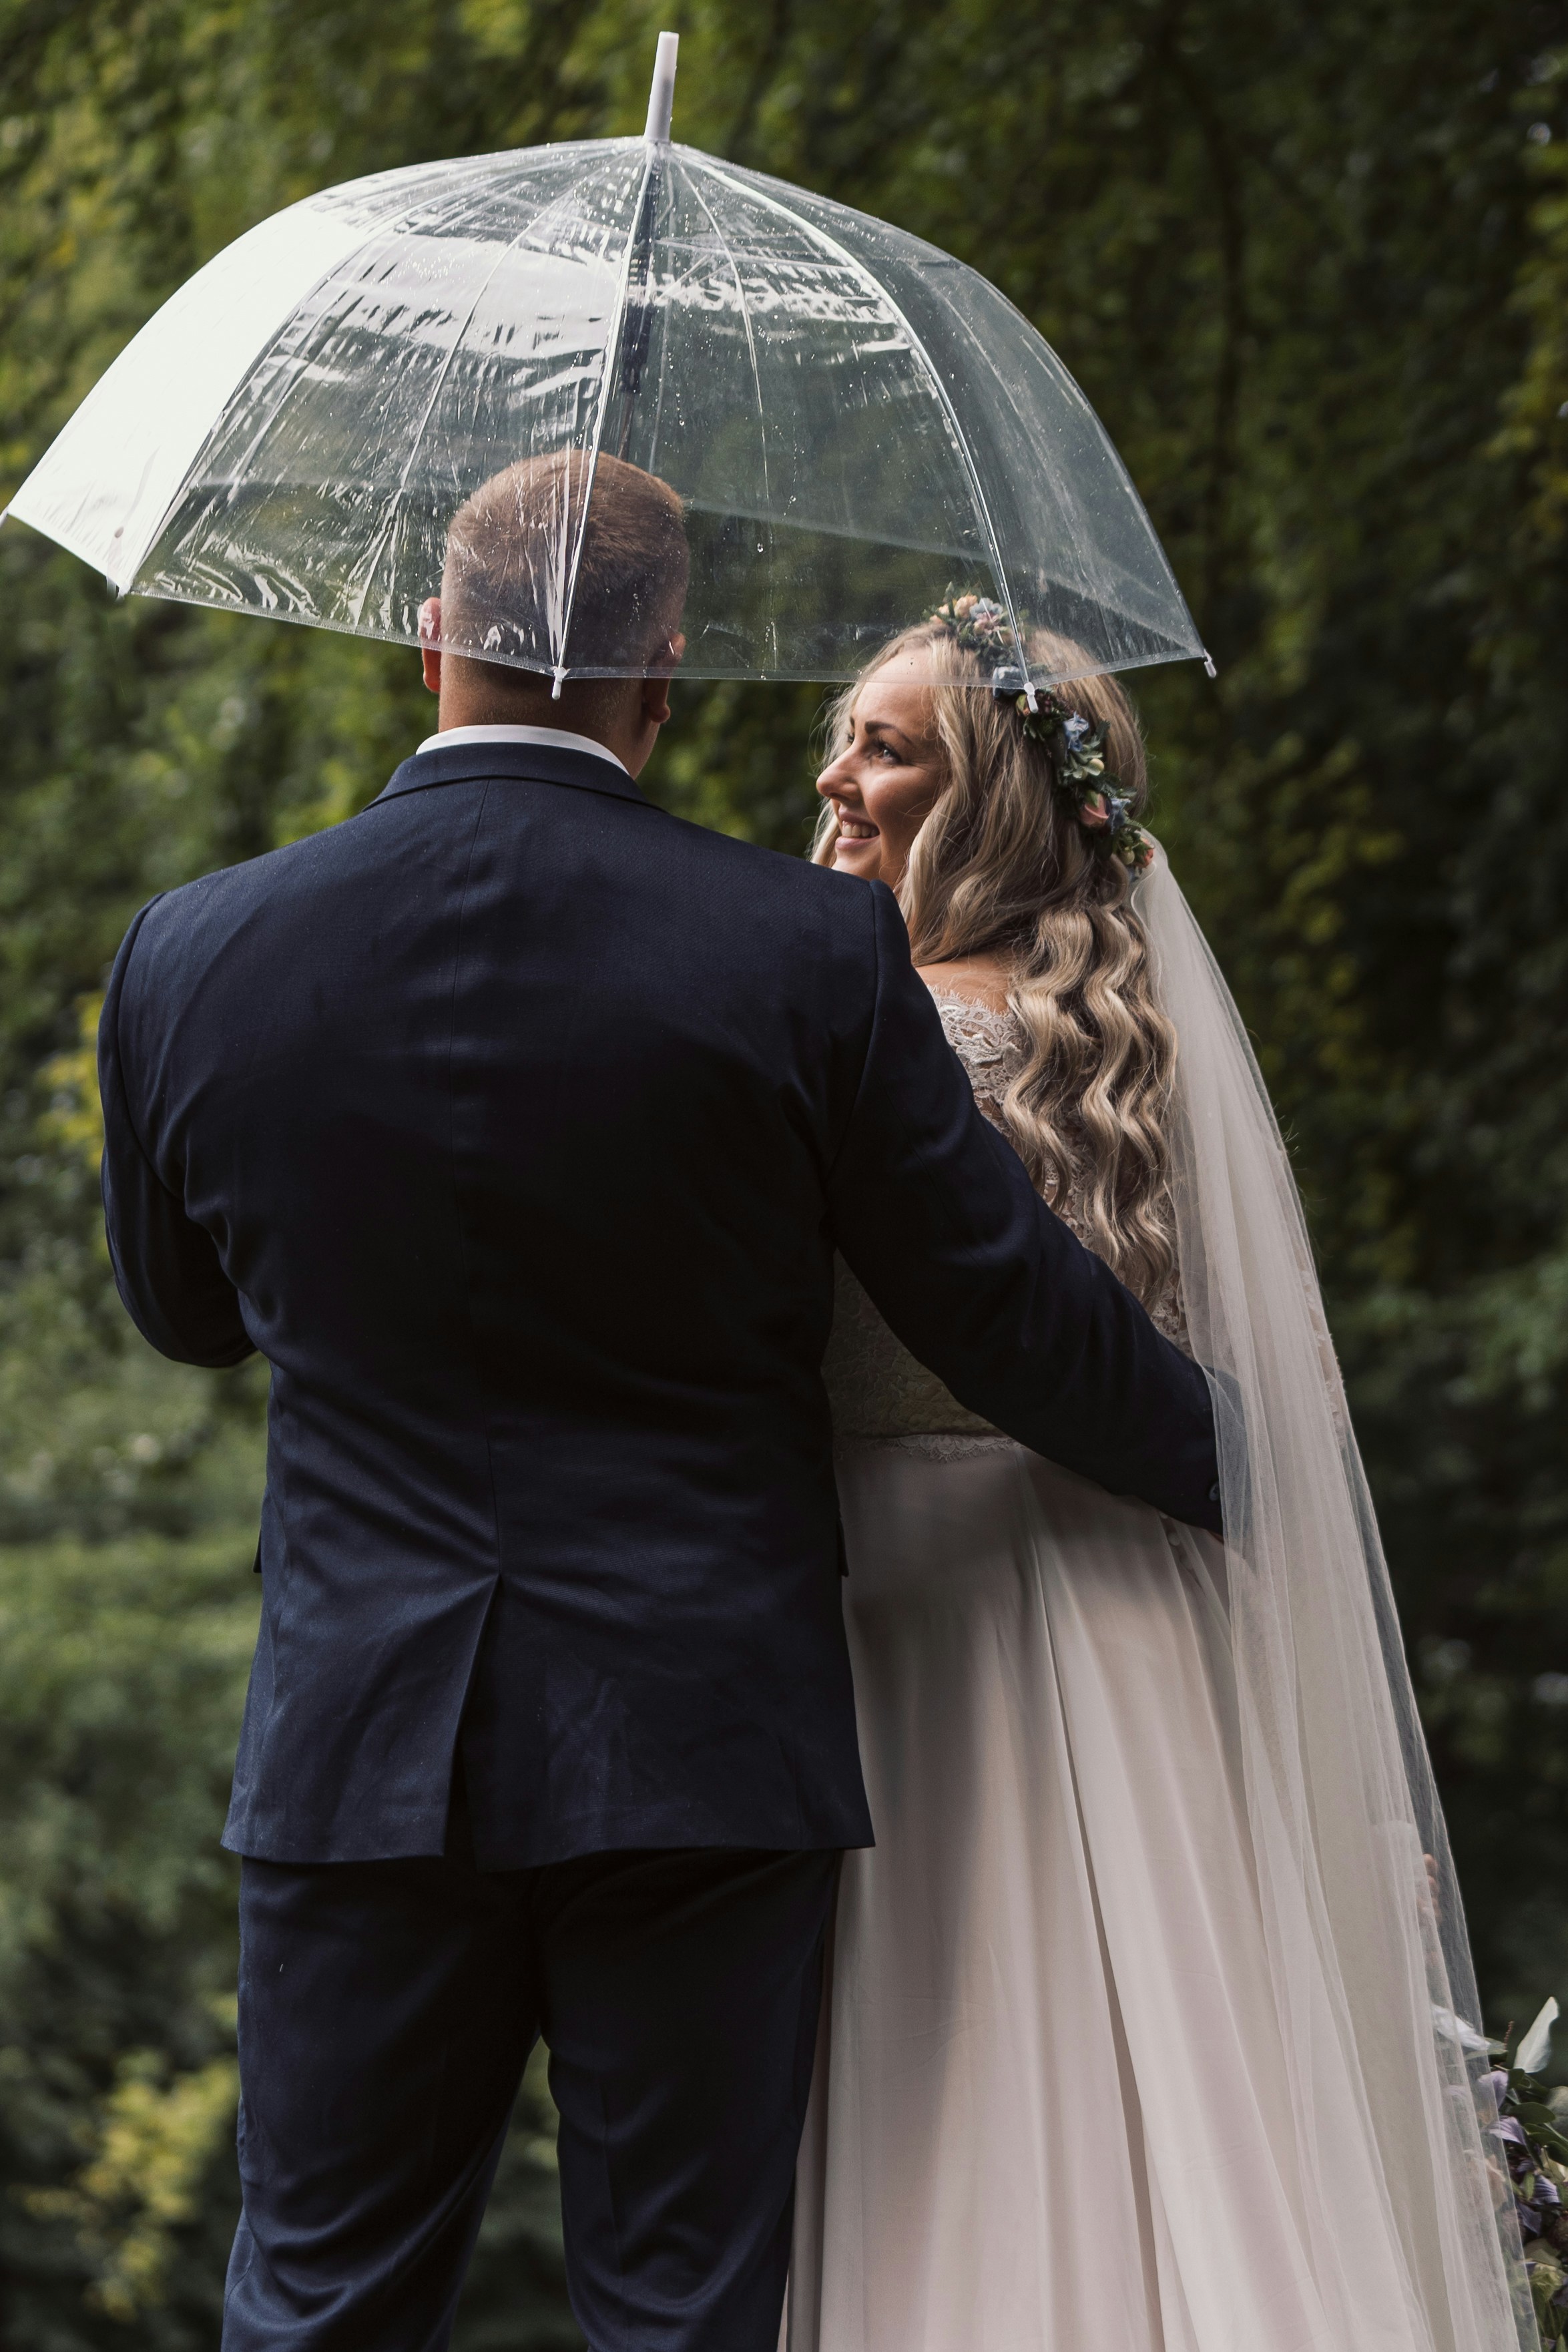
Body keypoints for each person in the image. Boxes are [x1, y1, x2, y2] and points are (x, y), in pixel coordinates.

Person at [93, 461, 1222, 2352]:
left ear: (433, 642)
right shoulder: (801, 956)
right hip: (701, 1735)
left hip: (361, 1747)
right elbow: (1009, 1318)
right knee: (682, 2316)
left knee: (315, 2302)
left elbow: (186, 1317)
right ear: (665, 679)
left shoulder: (192, 953)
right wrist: (1238, 1468)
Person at [784, 602, 1527, 2352]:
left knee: (950, 2107)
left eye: (890, 744)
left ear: (997, 801)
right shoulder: (1144, 1052)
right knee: (1185, 2101)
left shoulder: (866, 1042)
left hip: (917, 1613)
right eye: (851, 734)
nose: (837, 775)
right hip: (1145, 1615)